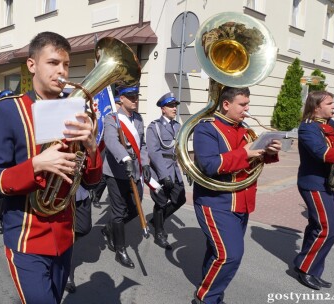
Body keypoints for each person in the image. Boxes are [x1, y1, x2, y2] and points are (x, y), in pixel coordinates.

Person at [0, 31, 102, 304]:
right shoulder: (9, 111)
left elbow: (91, 182)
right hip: (27, 238)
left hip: (64, 235)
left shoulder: (74, 111)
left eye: (66, 64)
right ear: (32, 65)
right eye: (53, 63)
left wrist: (93, 148)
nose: (61, 71)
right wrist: (36, 164)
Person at [192, 87, 281, 304]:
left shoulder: (244, 129)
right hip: (216, 201)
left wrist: (268, 152)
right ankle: (206, 299)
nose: (247, 108)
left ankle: (212, 290)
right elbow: (210, 165)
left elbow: (252, 161)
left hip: (241, 200)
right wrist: (245, 153)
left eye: (247, 103)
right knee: (230, 255)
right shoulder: (207, 129)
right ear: (226, 104)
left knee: (217, 252)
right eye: (242, 104)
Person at [293, 90, 334, 290]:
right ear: (316, 107)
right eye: (329, 103)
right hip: (313, 184)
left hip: (326, 183)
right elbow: (323, 153)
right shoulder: (307, 129)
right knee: (329, 228)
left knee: (316, 226)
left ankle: (313, 270)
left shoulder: (328, 125)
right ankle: (304, 268)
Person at [101, 85, 150, 269]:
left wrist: (144, 163)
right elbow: (111, 141)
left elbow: (142, 144)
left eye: (136, 96)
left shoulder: (138, 118)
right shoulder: (112, 118)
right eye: (130, 97)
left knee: (134, 209)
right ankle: (120, 250)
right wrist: (125, 157)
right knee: (119, 211)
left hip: (135, 171)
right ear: (121, 99)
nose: (135, 99)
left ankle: (108, 228)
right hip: (116, 172)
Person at [146, 92, 187, 250]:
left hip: (175, 170)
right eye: (171, 106)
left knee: (180, 198)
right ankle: (159, 233)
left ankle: (157, 221)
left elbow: (181, 150)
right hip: (160, 170)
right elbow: (154, 152)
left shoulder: (177, 126)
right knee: (161, 202)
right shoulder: (154, 126)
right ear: (163, 109)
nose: (174, 108)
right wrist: (164, 175)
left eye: (175, 105)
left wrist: (187, 171)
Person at [0, 90, 15, 234]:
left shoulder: (18, 116)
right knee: (2, 191)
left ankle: (11, 217)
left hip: (17, 158)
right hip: (1, 159)